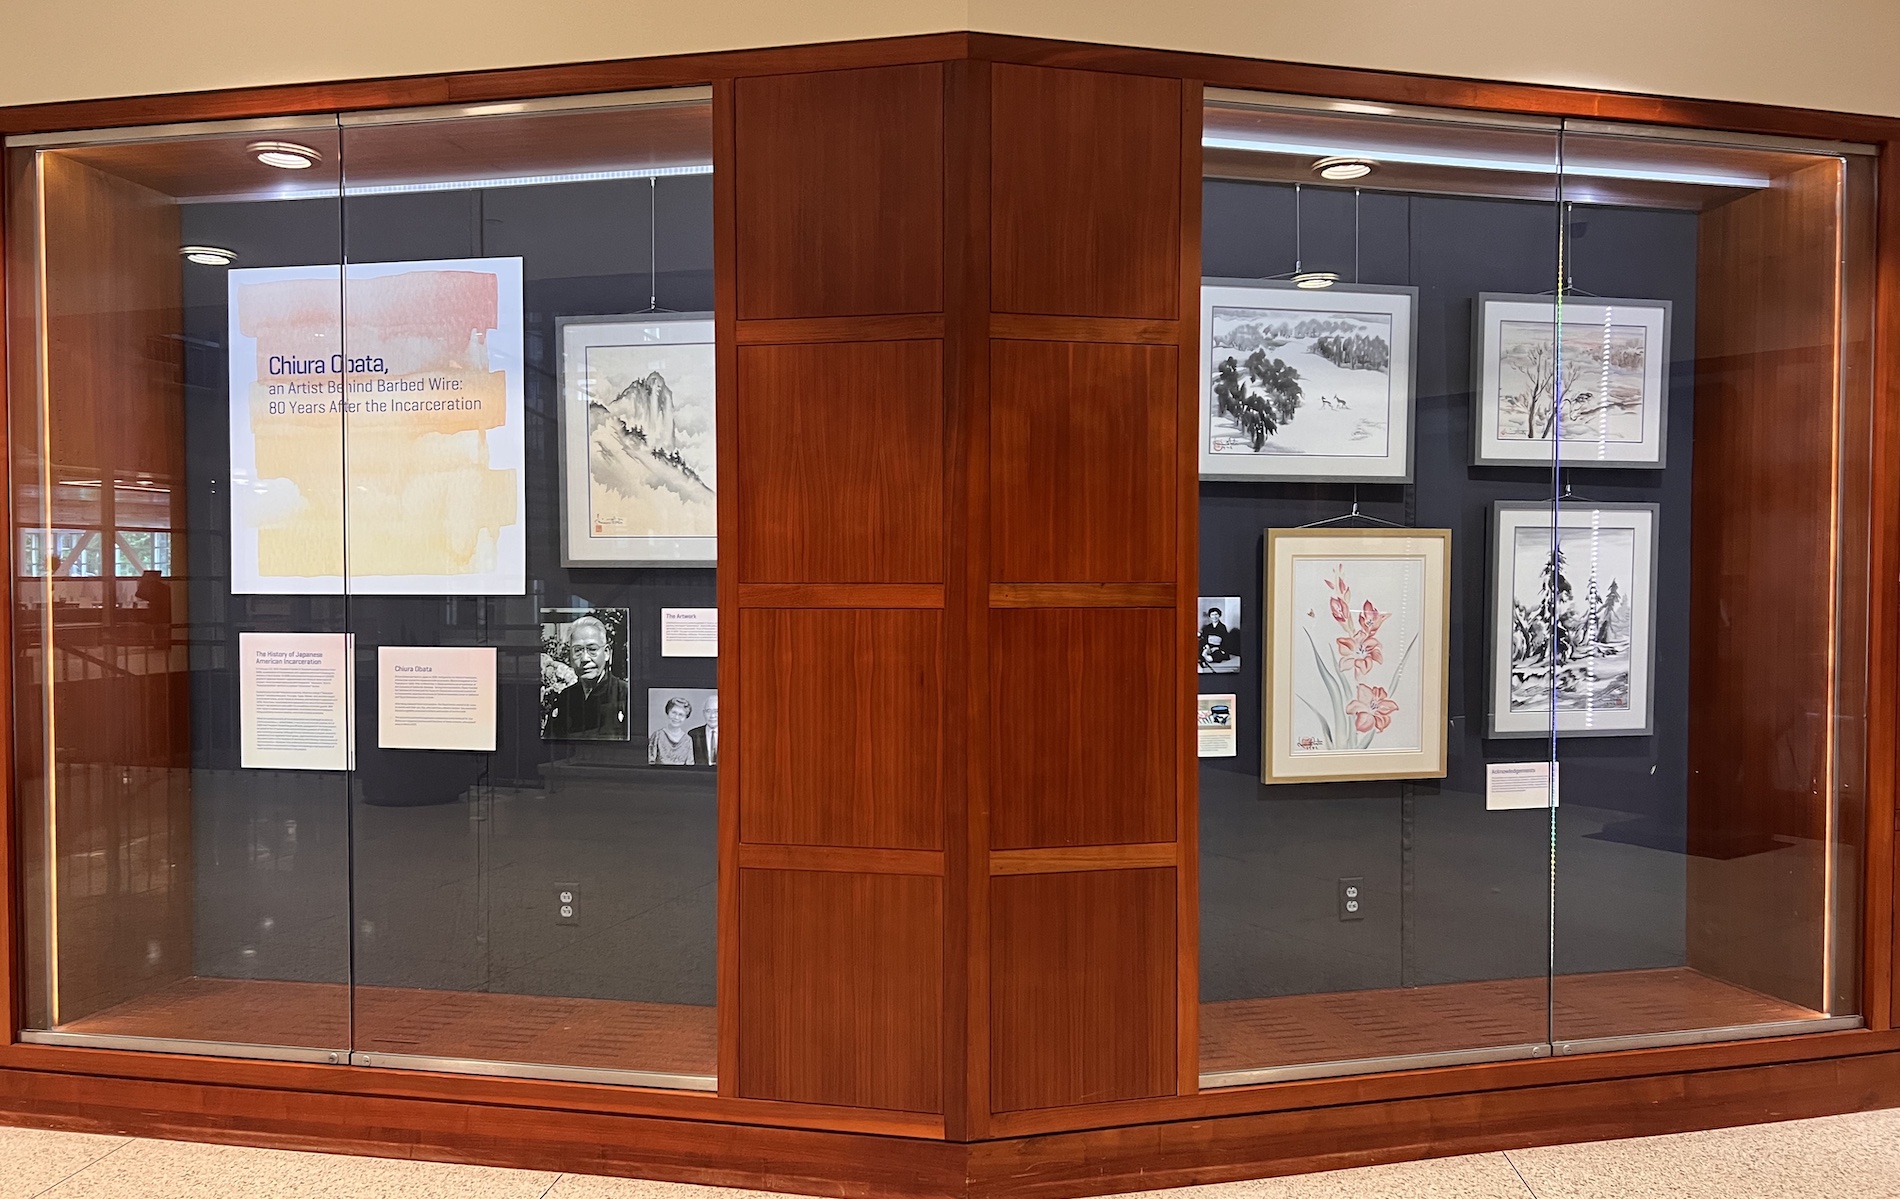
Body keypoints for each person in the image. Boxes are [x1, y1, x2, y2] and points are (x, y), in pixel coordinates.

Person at [542, 616, 629, 740]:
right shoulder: (565, 698)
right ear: (570, 656)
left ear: (606, 653)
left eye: (592, 649)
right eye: (577, 650)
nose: (584, 659)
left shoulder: (625, 694)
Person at [650, 696, 696, 765]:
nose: (676, 717)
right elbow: (650, 761)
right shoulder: (657, 735)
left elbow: (690, 765)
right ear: (668, 712)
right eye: (674, 712)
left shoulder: (687, 740)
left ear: (686, 717)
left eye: (681, 715)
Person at [1199, 605, 1233, 670]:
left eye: (1216, 614)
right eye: (1212, 615)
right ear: (1210, 616)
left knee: (1219, 654)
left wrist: (1217, 648)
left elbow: (1225, 640)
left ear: (1219, 615)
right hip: (1209, 646)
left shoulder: (1222, 627)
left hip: (1218, 647)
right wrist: (1207, 645)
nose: (1214, 617)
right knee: (1200, 648)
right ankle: (1206, 656)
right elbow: (1205, 638)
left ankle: (1207, 658)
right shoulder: (1207, 627)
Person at [688, 694, 718, 766]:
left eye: (716, 711)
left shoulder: (732, 734)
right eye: (708, 711)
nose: (712, 716)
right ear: (704, 713)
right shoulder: (693, 735)